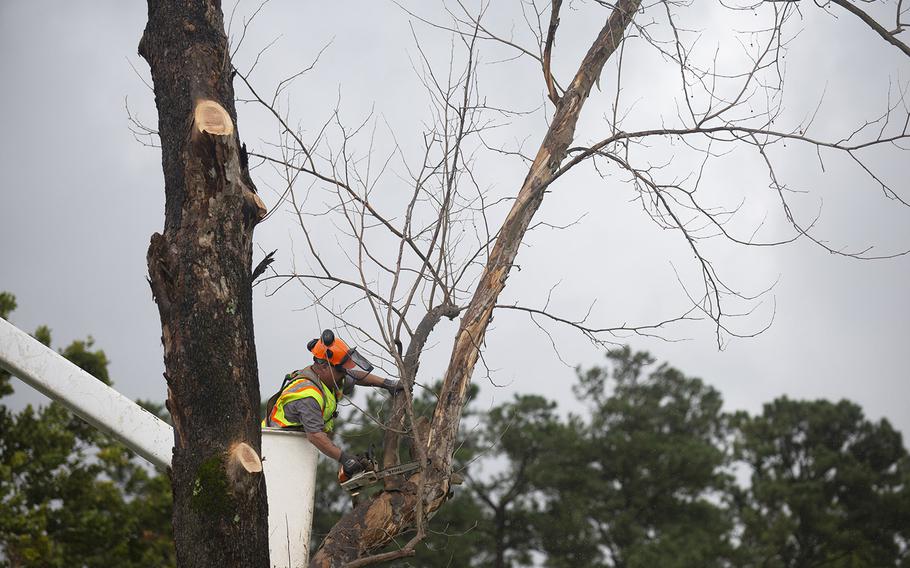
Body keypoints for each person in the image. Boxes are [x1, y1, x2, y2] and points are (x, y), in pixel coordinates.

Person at [262, 329, 403, 479]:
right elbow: (315, 435)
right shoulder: (307, 395)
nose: (345, 375)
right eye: (341, 372)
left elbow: (355, 375)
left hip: (297, 445)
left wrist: (387, 384)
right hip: (275, 448)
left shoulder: (331, 376)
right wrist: (344, 459)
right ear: (324, 366)